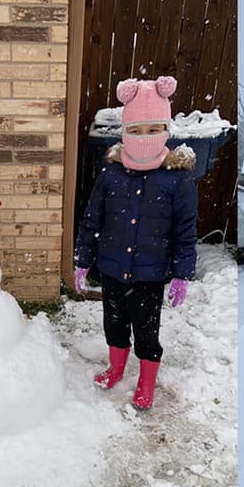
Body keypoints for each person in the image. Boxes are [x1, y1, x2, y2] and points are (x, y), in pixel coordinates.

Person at [73, 75, 198, 411]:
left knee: (146, 332)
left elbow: (185, 231)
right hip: (113, 268)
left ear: (166, 130)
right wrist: (83, 260)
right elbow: (92, 219)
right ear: (125, 131)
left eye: (154, 129)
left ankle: (146, 381)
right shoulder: (111, 174)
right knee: (113, 323)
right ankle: (115, 367)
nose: (146, 137)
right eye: (137, 130)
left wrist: (183, 273)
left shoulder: (177, 178)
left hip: (150, 274)